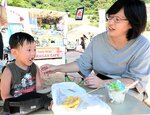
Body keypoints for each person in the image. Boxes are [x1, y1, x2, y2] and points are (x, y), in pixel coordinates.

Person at [40, 0, 150, 105]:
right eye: (110, 17)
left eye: (117, 19)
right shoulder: (98, 40)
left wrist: (104, 83)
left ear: (132, 22)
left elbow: (134, 81)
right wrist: (56, 68)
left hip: (127, 91)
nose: (110, 22)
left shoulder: (143, 46)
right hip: (98, 86)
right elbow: (82, 64)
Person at [0, 32, 43, 102]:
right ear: (15, 53)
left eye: (34, 49)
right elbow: (5, 95)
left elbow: (39, 87)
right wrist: (20, 105)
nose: (33, 53)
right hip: (16, 107)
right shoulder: (8, 71)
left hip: (34, 105)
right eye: (29, 50)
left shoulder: (35, 67)